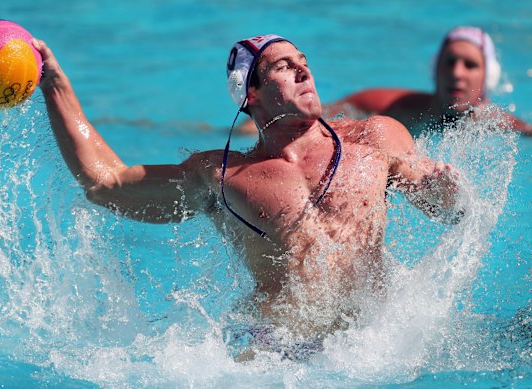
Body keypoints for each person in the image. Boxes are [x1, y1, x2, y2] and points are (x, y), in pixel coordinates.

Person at [33, 34, 463, 359]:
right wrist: (55, 87)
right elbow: (106, 184)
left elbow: (446, 208)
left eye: (304, 63)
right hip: (274, 356)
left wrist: (447, 193)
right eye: (283, 66)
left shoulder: (375, 137)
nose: (302, 71)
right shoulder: (222, 175)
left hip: (374, 348)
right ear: (250, 93)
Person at [237, 26, 532, 137]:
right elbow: (321, 112)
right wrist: (256, 124)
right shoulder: (392, 105)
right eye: (449, 62)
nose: (457, 72)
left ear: (487, 76)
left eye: (470, 65)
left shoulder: (499, 124)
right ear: (435, 70)